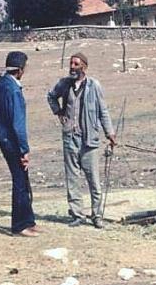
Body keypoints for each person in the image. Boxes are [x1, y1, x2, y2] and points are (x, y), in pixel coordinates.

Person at [46, 52, 116, 229]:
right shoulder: (64, 84)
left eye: (76, 64)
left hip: (89, 139)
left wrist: (109, 133)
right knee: (72, 179)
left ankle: (97, 216)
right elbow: (51, 96)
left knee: (94, 180)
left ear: (84, 66)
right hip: (70, 137)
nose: (72, 67)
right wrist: (58, 112)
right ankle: (77, 214)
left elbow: (103, 111)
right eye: (71, 63)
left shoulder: (94, 86)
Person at [0, 51, 40, 237]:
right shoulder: (13, 89)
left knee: (23, 179)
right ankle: (19, 226)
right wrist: (24, 150)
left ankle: (29, 220)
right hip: (12, 140)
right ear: (20, 70)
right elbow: (17, 123)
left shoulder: (0, 84)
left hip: (4, 137)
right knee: (20, 181)